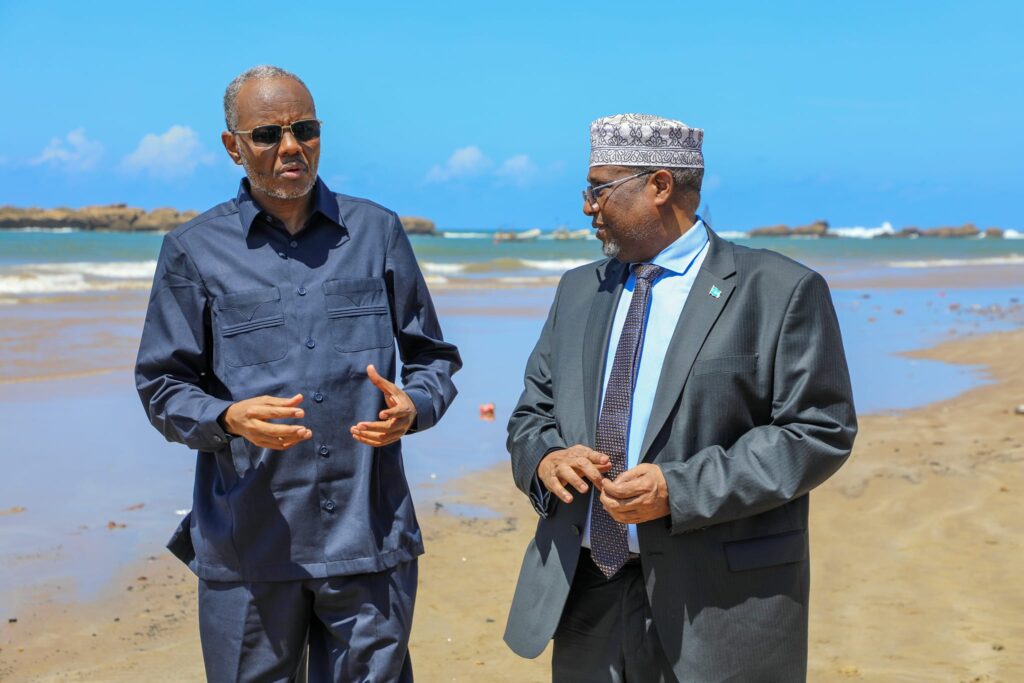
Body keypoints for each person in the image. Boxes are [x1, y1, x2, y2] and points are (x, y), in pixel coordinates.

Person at [135, 65, 461, 683]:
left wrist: (413, 406)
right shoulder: (192, 250)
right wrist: (226, 417)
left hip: (369, 534)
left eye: (304, 129)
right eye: (267, 135)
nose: (290, 147)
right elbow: (162, 384)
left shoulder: (377, 232)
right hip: (250, 544)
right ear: (233, 145)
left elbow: (431, 359)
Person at [503, 113, 857, 682]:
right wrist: (546, 458)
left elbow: (818, 431)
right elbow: (531, 412)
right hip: (586, 589)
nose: (588, 208)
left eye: (599, 190)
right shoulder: (577, 289)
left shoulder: (780, 290)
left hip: (718, 599)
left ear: (660, 186)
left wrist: (679, 489)